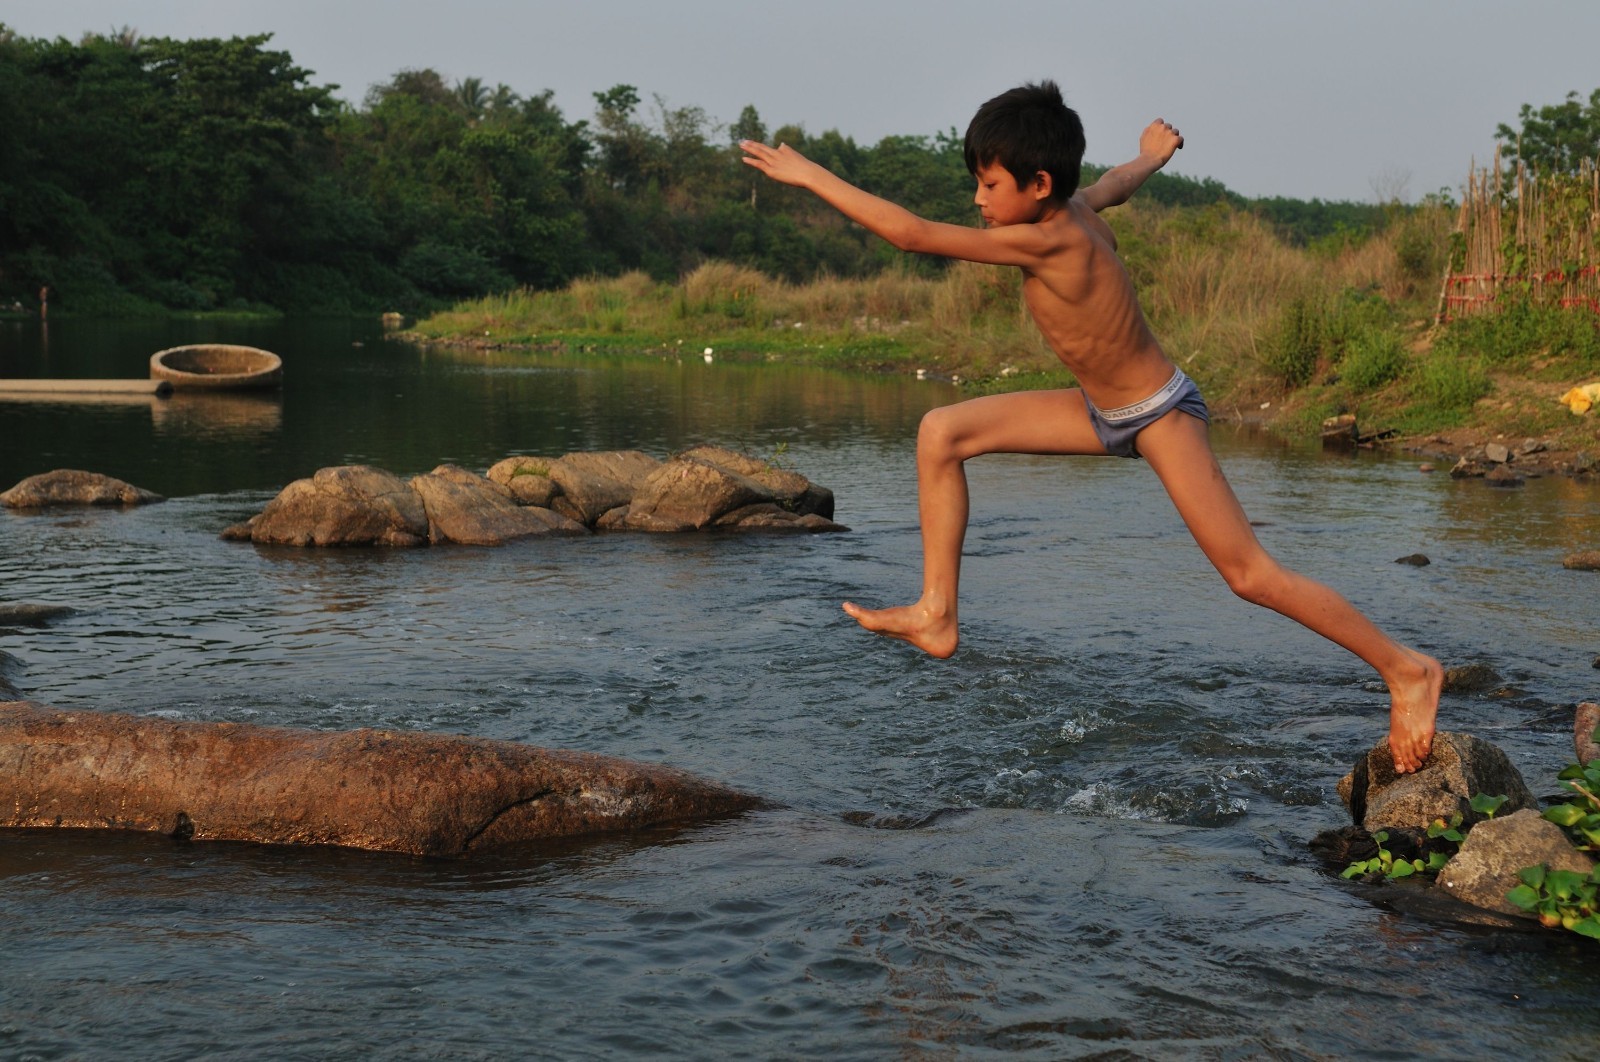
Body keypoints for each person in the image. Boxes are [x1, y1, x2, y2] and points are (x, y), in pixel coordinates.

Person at [740, 81, 1441, 773]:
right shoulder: (1071, 204)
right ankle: (936, 612)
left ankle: (1406, 668)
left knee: (1249, 575)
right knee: (941, 432)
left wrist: (809, 175)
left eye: (988, 185)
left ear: (1037, 183)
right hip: (1100, 410)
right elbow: (1116, 184)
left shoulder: (1048, 242)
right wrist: (1151, 156)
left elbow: (910, 234)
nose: (978, 200)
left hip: (1160, 415)